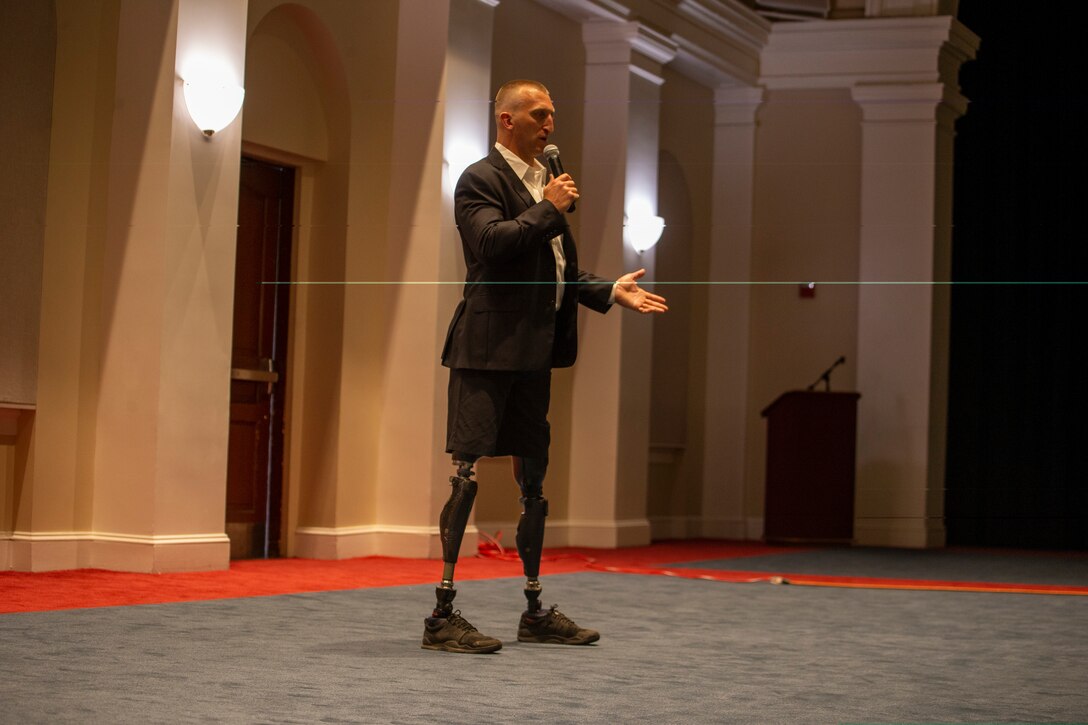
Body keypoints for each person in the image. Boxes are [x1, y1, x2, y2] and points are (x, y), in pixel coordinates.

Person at [422, 79, 668, 654]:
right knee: (467, 474)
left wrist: (609, 290)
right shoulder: (480, 178)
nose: (549, 124)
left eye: (552, 115)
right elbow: (491, 243)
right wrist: (548, 207)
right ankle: (442, 613)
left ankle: (533, 609)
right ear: (506, 120)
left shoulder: (542, 186)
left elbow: (553, 273)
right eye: (538, 114)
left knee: (534, 481)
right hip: (486, 351)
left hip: (532, 354)